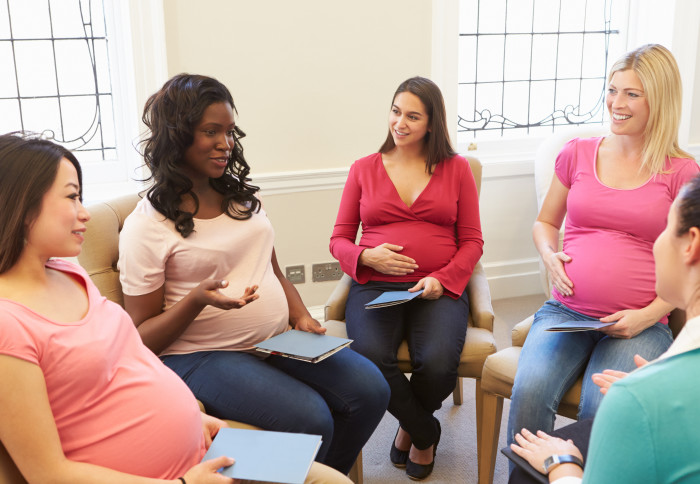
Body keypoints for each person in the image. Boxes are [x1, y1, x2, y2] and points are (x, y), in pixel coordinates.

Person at [0, 133, 353, 484]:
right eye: (72, 197)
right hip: (172, 479)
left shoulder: (67, 271)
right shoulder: (8, 324)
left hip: (202, 451)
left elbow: (126, 360)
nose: (84, 213)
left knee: (334, 478)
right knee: (313, 427)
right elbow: (47, 473)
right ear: (21, 205)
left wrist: (191, 416)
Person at [117, 74, 390, 476]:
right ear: (177, 136)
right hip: (199, 356)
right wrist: (196, 300)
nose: (225, 143)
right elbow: (139, 339)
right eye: (211, 131)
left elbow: (271, 267)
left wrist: (299, 313)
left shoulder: (243, 198)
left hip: (275, 338)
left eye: (229, 131)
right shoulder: (148, 225)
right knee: (310, 417)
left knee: (371, 389)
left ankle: (325, 476)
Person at [506, 44, 700, 452]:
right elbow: (545, 223)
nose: (616, 103)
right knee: (528, 394)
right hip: (566, 312)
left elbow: (695, 265)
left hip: (640, 323)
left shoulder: (682, 172)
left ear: (659, 101)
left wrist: (646, 316)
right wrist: (548, 254)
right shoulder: (576, 153)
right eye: (612, 90)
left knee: (604, 412)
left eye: (632, 93)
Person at [329, 76, 483, 480]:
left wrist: (444, 279)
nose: (400, 123)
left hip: (437, 287)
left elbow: (471, 242)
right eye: (396, 112)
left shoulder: (457, 169)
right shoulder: (364, 168)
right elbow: (338, 240)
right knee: (368, 360)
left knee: (435, 362)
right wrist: (367, 255)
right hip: (376, 285)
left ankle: (410, 425)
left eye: (413, 116)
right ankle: (425, 430)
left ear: (432, 123)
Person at [510, 172, 700, 483]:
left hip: (640, 337)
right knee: (531, 388)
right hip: (568, 311)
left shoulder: (635, 400)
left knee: (529, 472)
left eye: (664, 229)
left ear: (691, 244)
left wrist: (562, 464)